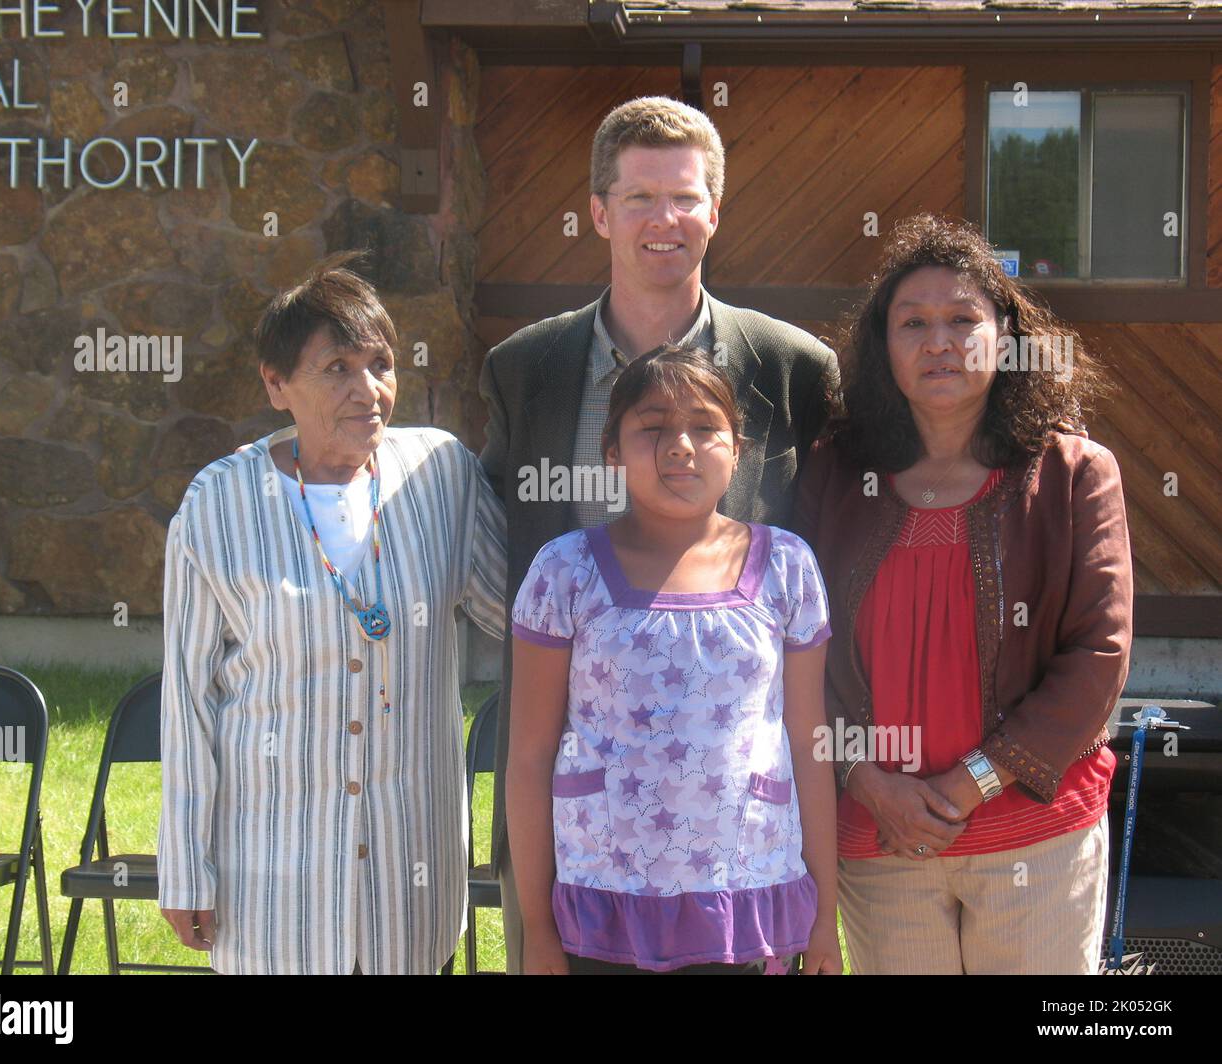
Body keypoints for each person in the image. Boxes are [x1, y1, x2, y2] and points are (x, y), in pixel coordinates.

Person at [479, 94, 838, 973]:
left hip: (733, 842)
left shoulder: (794, 370)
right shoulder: (522, 368)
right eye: (639, 197)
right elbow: (498, 538)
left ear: (715, 211)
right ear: (599, 212)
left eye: (684, 197)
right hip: (574, 818)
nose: (663, 220)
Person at [792, 214, 1133, 975]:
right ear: (884, 347)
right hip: (881, 836)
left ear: (1005, 336)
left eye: (962, 319)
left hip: (1034, 836)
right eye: (912, 323)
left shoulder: (1075, 475)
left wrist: (971, 782)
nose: (938, 341)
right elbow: (797, 649)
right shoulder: (836, 475)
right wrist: (864, 779)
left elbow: (1098, 656)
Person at [156, 252, 507, 974]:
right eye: (338, 368)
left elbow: (525, 614)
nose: (369, 390)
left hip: (409, 867)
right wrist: (186, 866)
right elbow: (191, 697)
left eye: (381, 364)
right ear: (276, 384)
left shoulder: (442, 475)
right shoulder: (217, 504)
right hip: (275, 872)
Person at [506, 345, 842, 975]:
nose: (681, 445)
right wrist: (537, 931)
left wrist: (822, 917)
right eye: (653, 428)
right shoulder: (565, 572)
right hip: (603, 909)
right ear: (612, 454)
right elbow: (528, 754)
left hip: (744, 899)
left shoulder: (787, 569)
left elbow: (808, 743)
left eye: (705, 426)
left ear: (738, 448)